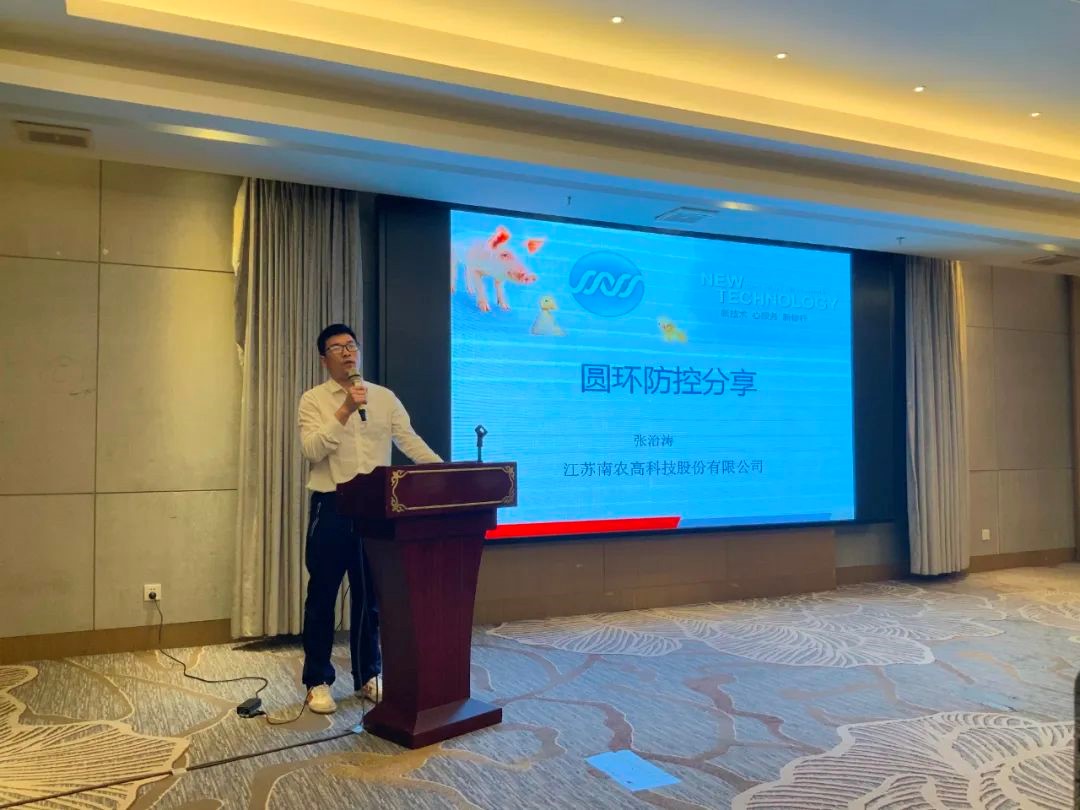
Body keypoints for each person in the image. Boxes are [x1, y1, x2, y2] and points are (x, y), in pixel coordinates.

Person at [297, 323, 442, 714]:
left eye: (351, 345)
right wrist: (345, 409)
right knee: (322, 596)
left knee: (369, 599)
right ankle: (317, 681)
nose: (347, 352)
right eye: (337, 347)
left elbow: (409, 440)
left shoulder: (383, 397)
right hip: (332, 507)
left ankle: (367, 674)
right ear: (323, 358)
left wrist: (443, 472)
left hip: (377, 510)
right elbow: (312, 451)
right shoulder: (313, 400)